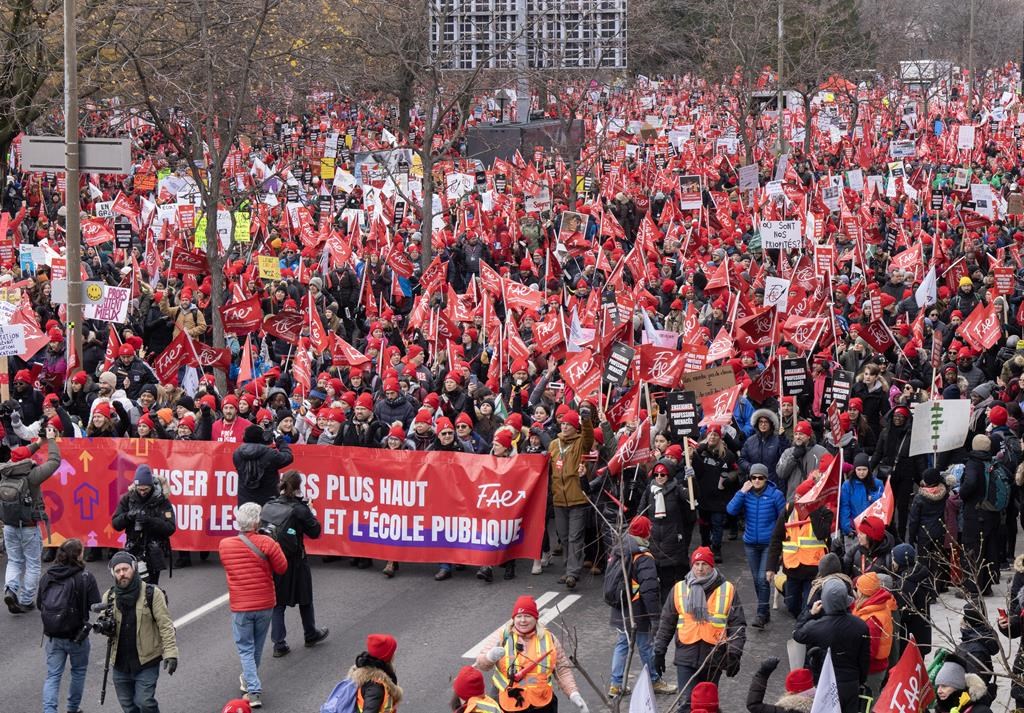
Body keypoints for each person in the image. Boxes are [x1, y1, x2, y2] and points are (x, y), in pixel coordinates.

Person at [654, 546, 746, 712]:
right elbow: (667, 622)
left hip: (714, 656)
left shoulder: (727, 589)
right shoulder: (679, 589)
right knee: (687, 703)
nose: (700, 568)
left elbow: (737, 625)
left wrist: (734, 654)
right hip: (686, 655)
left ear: (712, 566)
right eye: (697, 564)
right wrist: (659, 651)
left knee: (707, 704)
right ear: (692, 566)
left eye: (704, 564)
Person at [218, 502, 289, 709]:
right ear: (257, 522)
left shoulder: (225, 545)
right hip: (265, 603)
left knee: (245, 648)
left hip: (241, 605)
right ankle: (250, 681)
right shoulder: (267, 543)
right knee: (256, 646)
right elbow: (282, 568)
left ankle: (254, 690)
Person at [476, 595, 588, 713]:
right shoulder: (501, 636)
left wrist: (573, 693)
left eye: (527, 616)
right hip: (506, 702)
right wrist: (489, 657)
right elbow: (482, 665)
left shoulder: (549, 639)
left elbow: (562, 669)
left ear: (535, 618)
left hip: (541, 703)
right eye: (519, 616)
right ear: (513, 619)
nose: (522, 620)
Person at [605, 516, 676, 697]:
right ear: (645, 532)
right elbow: (650, 590)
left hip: (620, 607)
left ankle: (616, 684)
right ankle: (654, 679)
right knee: (646, 646)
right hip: (638, 611)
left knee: (622, 644)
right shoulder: (643, 556)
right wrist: (654, 616)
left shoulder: (619, 548)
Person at [104, 550, 179, 713]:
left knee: (145, 702)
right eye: (117, 571)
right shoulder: (109, 596)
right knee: (128, 706)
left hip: (147, 661)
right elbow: (105, 623)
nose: (122, 574)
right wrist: (104, 626)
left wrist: (171, 653)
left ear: (134, 568)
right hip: (120, 663)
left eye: (125, 569)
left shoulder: (152, 593)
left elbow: (166, 626)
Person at [265, 470, 329, 657]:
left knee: (278, 603)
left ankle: (279, 643)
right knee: (305, 598)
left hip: (275, 558)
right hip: (296, 559)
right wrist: (309, 509)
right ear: (299, 486)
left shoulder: (269, 505)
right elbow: (315, 531)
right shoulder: (300, 509)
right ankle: (310, 634)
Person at [38, 538, 102, 713]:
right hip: (77, 636)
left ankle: (49, 710)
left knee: (53, 676)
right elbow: (95, 604)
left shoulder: (48, 575)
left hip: (53, 635)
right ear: (79, 554)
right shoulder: (85, 576)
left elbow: (39, 604)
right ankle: (73, 709)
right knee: (78, 672)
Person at [2, 427, 61, 614]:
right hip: (29, 526)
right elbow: (54, 461)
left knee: (14, 561)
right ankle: (27, 600)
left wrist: (37, 443)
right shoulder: (32, 476)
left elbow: (22, 454)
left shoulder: (4, 472)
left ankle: (10, 589)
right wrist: (50, 441)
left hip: (9, 526)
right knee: (33, 563)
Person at [792, 579, 869, 713]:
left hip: (826, 682)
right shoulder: (861, 625)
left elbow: (798, 634)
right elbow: (864, 659)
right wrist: (860, 680)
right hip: (851, 682)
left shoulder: (818, 626)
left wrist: (810, 614)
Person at [726, 463, 785, 628]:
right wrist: (741, 492)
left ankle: (760, 614)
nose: (757, 480)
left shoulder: (776, 495)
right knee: (756, 580)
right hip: (751, 543)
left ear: (766, 479)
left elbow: (784, 519)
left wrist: (781, 543)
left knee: (762, 578)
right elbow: (730, 510)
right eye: (754, 477)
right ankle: (764, 611)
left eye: (760, 477)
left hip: (769, 544)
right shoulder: (745, 494)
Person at [547, 406, 595, 590]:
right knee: (565, 536)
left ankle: (573, 572)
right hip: (559, 499)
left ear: (576, 427)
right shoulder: (553, 445)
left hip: (577, 499)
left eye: (569, 424)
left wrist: (586, 420)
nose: (565, 427)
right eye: (563, 423)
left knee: (575, 536)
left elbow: (589, 436)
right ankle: (569, 567)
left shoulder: (580, 442)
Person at [637, 461, 695, 598]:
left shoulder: (677, 489)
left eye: (662, 474)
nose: (659, 477)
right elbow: (641, 513)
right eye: (656, 474)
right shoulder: (649, 490)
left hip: (671, 541)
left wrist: (692, 479)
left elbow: (692, 497)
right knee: (651, 581)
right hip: (653, 541)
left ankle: (668, 609)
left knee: (668, 581)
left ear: (669, 475)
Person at [111, 465, 176, 585]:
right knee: (131, 586)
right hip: (133, 549)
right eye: (139, 489)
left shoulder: (162, 501)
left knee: (150, 588)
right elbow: (115, 524)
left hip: (153, 550)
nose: (142, 492)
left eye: (145, 489)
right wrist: (128, 516)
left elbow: (170, 528)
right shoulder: (128, 499)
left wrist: (150, 521)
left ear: (151, 485)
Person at [959, 434, 1001, 595]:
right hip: (992, 513)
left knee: (972, 548)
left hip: (976, 513)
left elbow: (969, 483)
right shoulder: (991, 462)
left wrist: (962, 493)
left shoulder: (973, 463)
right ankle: (987, 585)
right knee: (990, 548)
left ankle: (972, 588)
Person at [849, 572, 896, 697]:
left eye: (857, 588)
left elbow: (870, 652)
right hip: (873, 667)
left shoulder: (873, 620)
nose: (855, 591)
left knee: (870, 703)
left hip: (872, 670)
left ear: (863, 592)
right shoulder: (875, 605)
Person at [233, 424, 294, 506]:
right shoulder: (269, 454)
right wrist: (280, 440)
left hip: (245, 504)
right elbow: (288, 456)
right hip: (268, 505)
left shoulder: (237, 454)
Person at [745, 657, 816, 713]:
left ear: (791, 691)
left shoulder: (787, 710)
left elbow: (753, 705)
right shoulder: (822, 703)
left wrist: (762, 674)